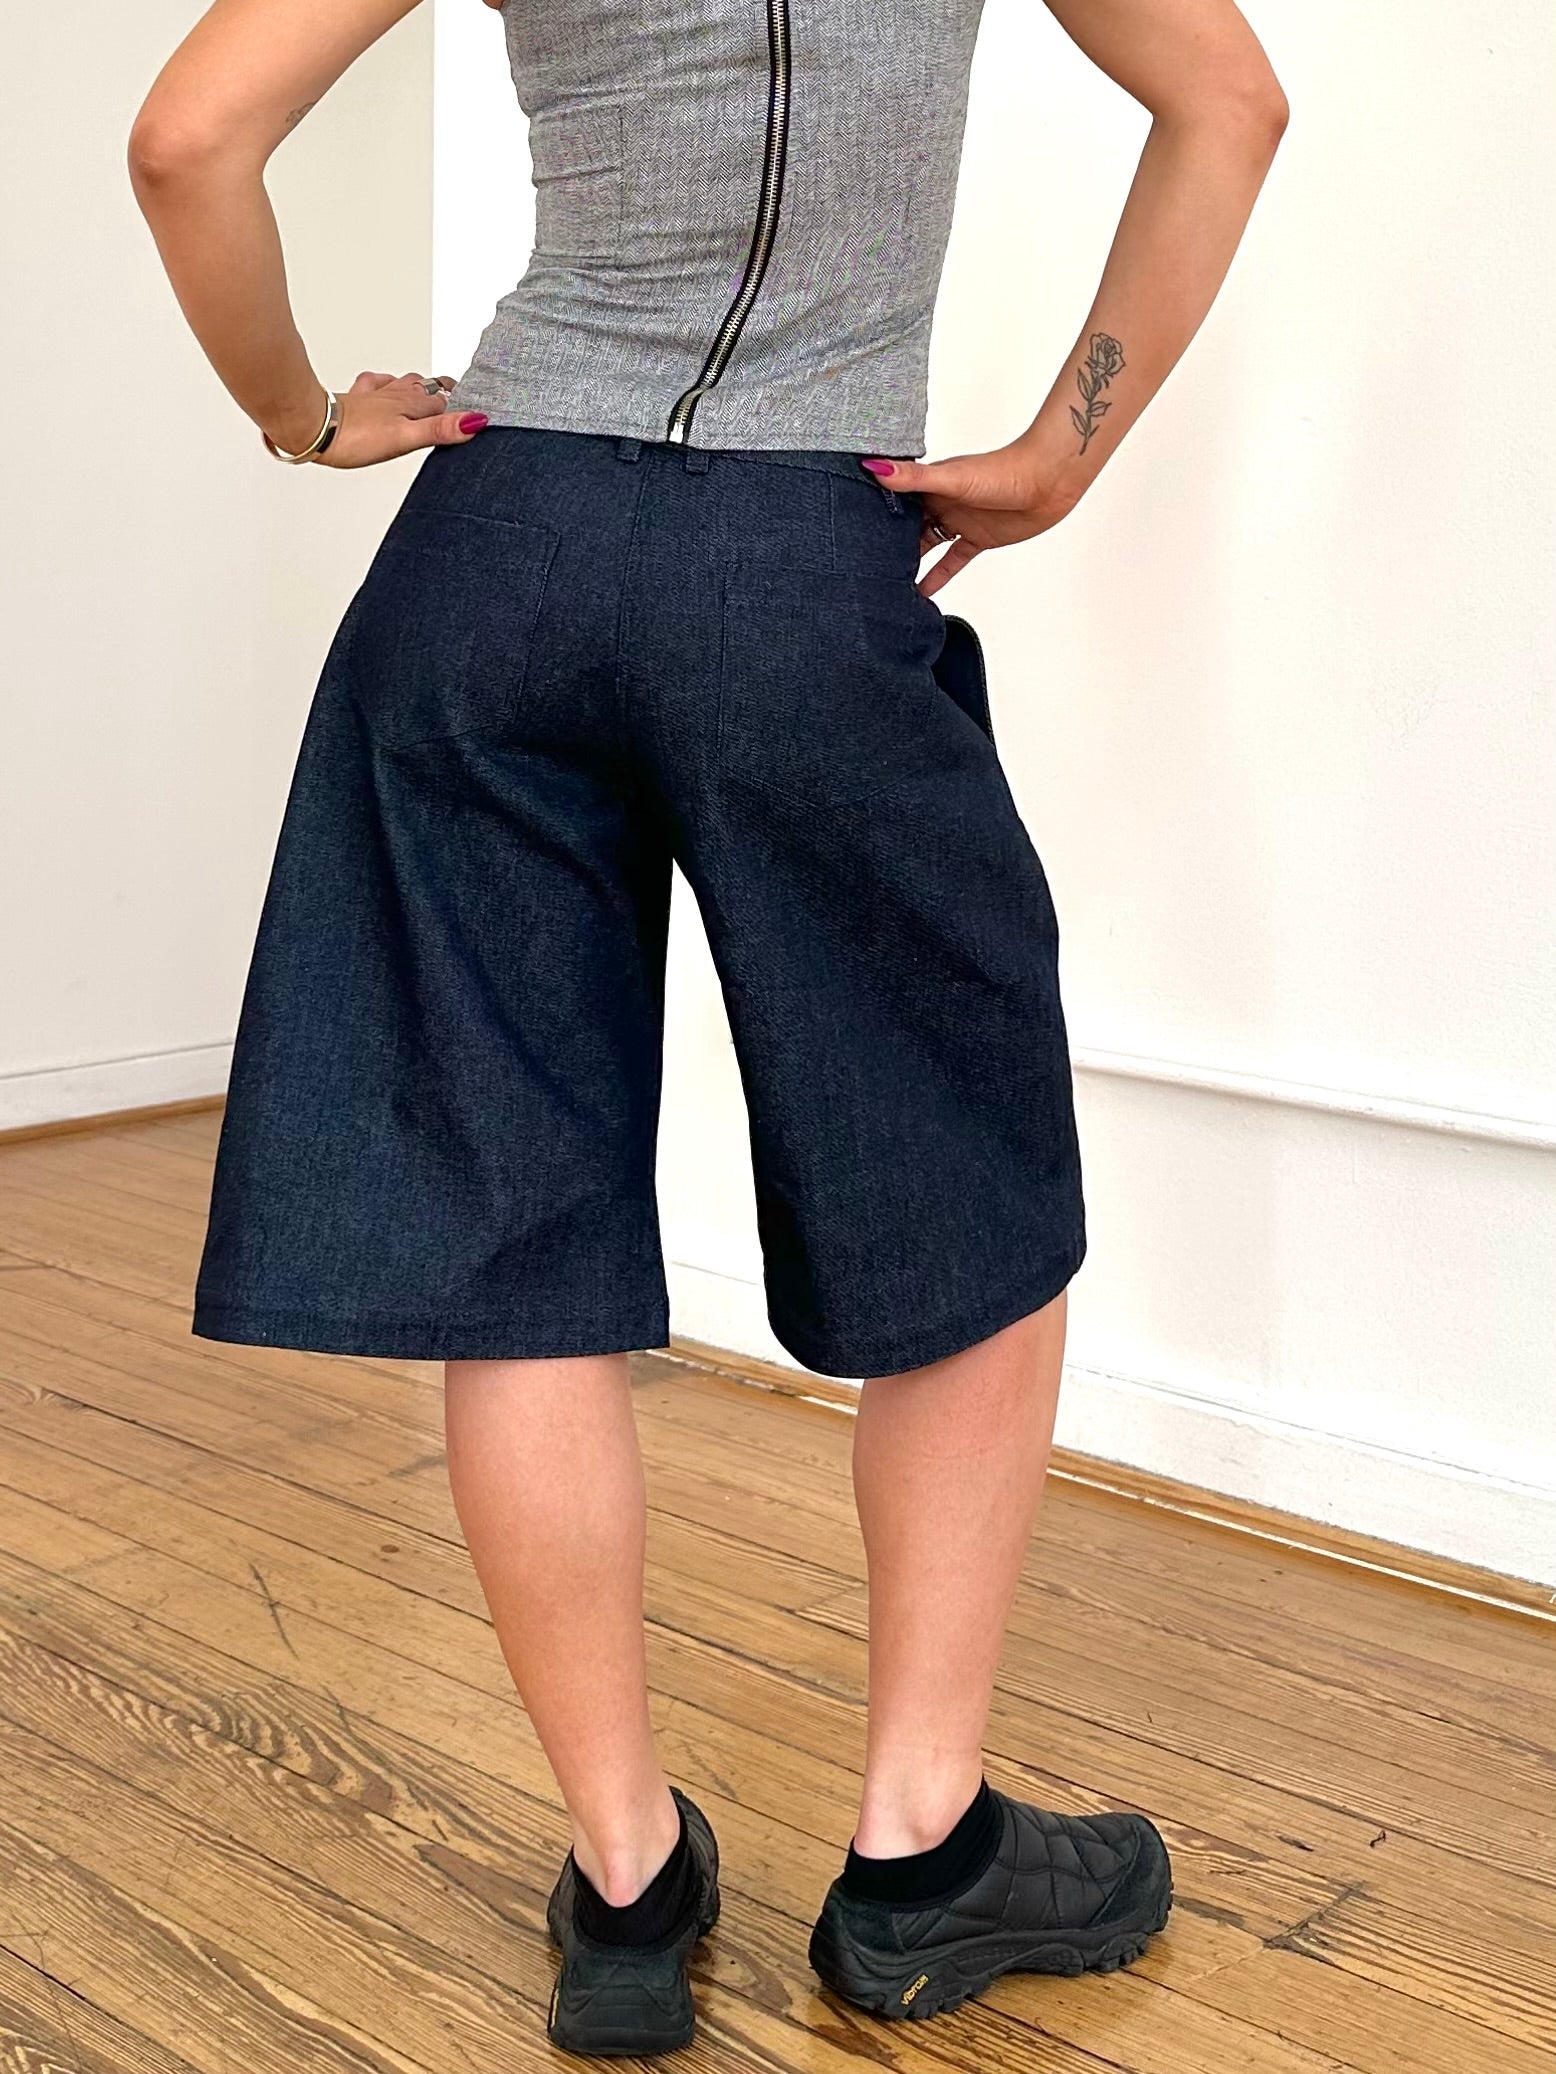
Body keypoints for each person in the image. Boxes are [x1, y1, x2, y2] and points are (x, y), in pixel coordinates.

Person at [129, 0, 1286, 2054]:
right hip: (802, 551)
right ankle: (919, 1851)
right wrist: (1061, 450)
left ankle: (628, 1879)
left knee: (516, 1234)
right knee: (961, 1175)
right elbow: (1229, 100)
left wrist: (301, 416)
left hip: (496, 553)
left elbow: (187, 141)